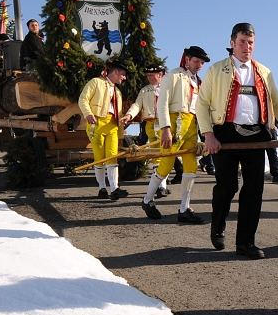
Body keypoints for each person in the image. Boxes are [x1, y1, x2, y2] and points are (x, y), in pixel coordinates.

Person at [197, 23, 278, 259]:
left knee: (254, 190)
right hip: (224, 135)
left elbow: (277, 102)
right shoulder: (217, 70)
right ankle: (218, 225)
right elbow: (202, 104)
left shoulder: (264, 72)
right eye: (243, 42)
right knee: (227, 186)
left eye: (251, 43)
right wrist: (209, 135)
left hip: (256, 136)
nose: (247, 47)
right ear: (232, 43)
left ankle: (245, 242)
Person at [139, 46, 210, 224]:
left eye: (202, 63)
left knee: (191, 167)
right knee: (165, 165)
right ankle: (147, 200)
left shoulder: (198, 81)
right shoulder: (173, 76)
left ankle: (184, 209)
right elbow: (162, 103)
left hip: (191, 127)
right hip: (175, 124)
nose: (199, 65)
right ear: (186, 59)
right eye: (196, 61)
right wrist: (165, 128)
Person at [78, 60, 130, 201]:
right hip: (97, 123)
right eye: (123, 75)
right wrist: (88, 113)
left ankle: (114, 189)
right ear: (115, 72)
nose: (124, 78)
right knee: (100, 157)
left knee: (112, 156)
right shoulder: (96, 82)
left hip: (112, 125)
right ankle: (102, 188)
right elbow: (83, 99)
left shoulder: (118, 92)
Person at [123, 63, 171, 198]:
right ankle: (161, 187)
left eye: (152, 75)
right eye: (148, 75)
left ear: (160, 75)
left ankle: (162, 185)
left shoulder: (168, 89)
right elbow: (137, 104)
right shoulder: (145, 90)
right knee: (156, 155)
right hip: (151, 125)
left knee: (166, 154)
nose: (149, 78)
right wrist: (129, 115)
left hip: (166, 124)